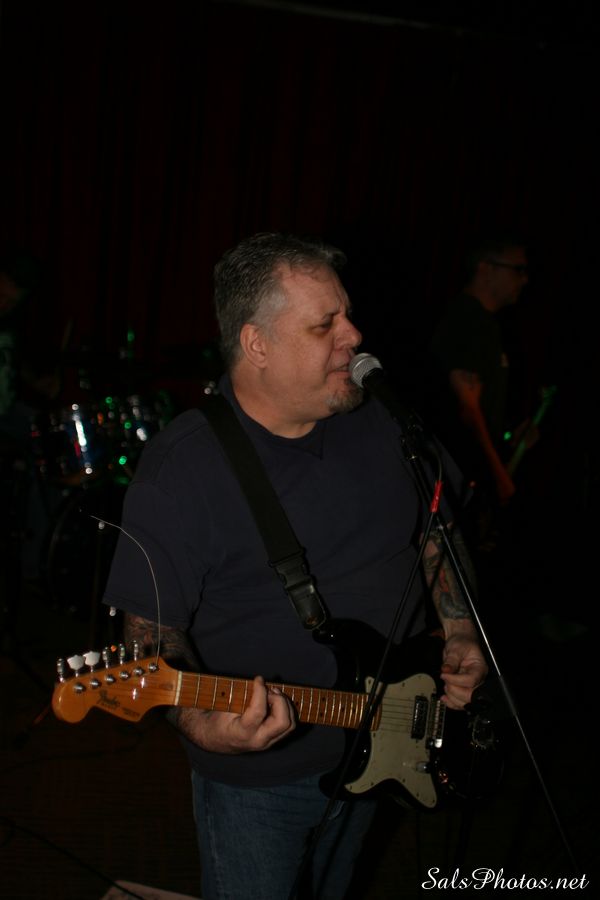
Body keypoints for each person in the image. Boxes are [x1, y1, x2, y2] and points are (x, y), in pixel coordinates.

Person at [102, 232, 488, 900]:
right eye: (323, 324)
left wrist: (460, 630)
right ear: (257, 345)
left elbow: (438, 529)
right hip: (262, 783)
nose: (353, 335)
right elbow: (149, 640)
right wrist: (202, 724)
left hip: (391, 736)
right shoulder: (181, 472)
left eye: (347, 314)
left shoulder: (380, 418)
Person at [427, 237, 532, 548]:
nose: (524, 280)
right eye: (517, 269)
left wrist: (511, 434)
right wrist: (498, 473)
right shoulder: (468, 319)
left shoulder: (488, 324)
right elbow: (467, 409)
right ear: (486, 268)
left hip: (470, 476)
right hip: (461, 479)